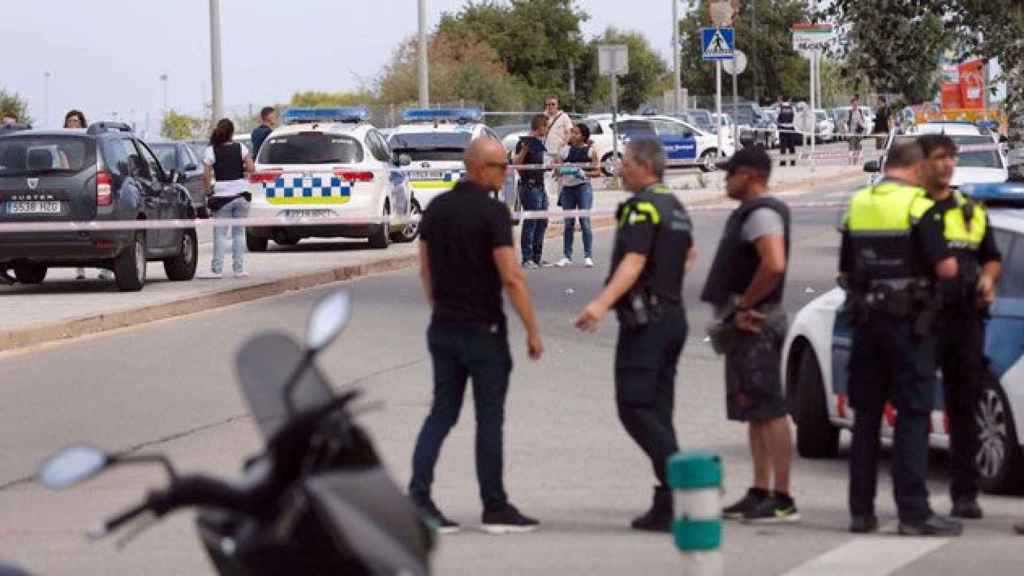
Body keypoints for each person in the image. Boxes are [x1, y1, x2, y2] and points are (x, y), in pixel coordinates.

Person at [409, 137, 544, 535]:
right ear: (479, 168)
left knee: (441, 414)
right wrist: (533, 330)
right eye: (502, 167)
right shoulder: (493, 212)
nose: (507, 173)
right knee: (489, 419)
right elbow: (511, 276)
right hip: (483, 331)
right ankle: (495, 505)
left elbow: (424, 270)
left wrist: (441, 308)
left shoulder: (437, 208)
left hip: (443, 328)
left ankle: (418, 498)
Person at [840, 140, 962, 536]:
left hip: (866, 323)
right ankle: (913, 512)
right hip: (909, 326)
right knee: (912, 415)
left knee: (866, 419)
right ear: (915, 169)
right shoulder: (918, 206)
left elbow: (845, 268)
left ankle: (861, 512)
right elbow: (945, 268)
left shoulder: (857, 204)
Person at [575, 139, 697, 532]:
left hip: (647, 323)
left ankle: (684, 484)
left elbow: (634, 260)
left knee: (634, 407)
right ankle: (667, 505)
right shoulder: (674, 205)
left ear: (644, 165)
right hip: (673, 316)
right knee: (658, 410)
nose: (620, 168)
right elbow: (689, 255)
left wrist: (601, 303)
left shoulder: (640, 206)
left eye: (625, 162)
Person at [701, 148, 798, 523]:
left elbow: (773, 264)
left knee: (770, 411)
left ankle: (783, 498)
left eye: (731, 174)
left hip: (758, 323)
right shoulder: (752, 212)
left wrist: (745, 305)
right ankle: (761, 491)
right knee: (756, 411)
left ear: (752, 175)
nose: (725, 180)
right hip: (748, 323)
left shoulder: (762, 213)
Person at [918, 134, 1002, 520]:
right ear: (922, 164)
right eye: (939, 157)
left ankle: (964, 496)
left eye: (951, 158)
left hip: (965, 319)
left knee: (963, 408)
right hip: (921, 318)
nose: (947, 164)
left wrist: (987, 280)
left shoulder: (970, 209)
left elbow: (991, 258)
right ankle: (913, 499)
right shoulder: (912, 208)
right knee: (914, 406)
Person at [61, 110, 112, 282]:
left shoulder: (89, 141)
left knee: (97, 230)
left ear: (82, 123)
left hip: (89, 185)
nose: (72, 124)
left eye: (75, 121)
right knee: (76, 230)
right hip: (71, 188)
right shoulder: (61, 142)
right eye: (69, 121)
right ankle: (79, 269)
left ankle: (106, 268)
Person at [203, 119, 254, 279]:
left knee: (220, 234)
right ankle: (239, 270)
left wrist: (208, 191)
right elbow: (251, 168)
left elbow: (206, 176)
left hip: (222, 197)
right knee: (239, 233)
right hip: (242, 195)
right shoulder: (241, 148)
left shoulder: (211, 150)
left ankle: (217, 270)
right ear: (232, 133)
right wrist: (240, 168)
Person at [555, 123, 599, 268]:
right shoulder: (565, 151)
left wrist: (583, 173)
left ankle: (588, 256)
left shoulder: (590, 151)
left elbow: (598, 172)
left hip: (583, 188)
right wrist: (561, 169)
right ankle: (567, 256)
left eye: (576, 133)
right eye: (572, 132)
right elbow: (557, 168)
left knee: (585, 222)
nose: (573, 135)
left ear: (584, 137)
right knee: (568, 223)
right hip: (567, 189)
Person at [515, 115, 550, 268]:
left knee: (542, 222)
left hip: (540, 186)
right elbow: (517, 164)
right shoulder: (524, 143)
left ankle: (537, 257)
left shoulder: (539, 143)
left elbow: (537, 164)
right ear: (540, 126)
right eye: (546, 126)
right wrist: (524, 150)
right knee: (531, 222)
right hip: (529, 187)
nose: (547, 129)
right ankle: (526, 258)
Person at [543, 96, 573, 199]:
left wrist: (564, 145)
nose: (550, 106)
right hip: (547, 151)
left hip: (560, 152)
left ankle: (562, 198)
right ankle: (546, 198)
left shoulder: (564, 116)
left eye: (553, 104)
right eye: (548, 104)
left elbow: (569, 132)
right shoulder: (543, 117)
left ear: (557, 105)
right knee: (547, 175)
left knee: (561, 174)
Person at [776, 96, 797, 167]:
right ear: (789, 99)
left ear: (782, 100)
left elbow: (776, 117)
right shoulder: (792, 107)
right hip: (791, 128)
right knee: (792, 147)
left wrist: (778, 124)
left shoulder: (779, 107)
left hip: (782, 129)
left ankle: (783, 162)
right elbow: (796, 117)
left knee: (783, 147)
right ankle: (793, 162)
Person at [847, 96, 867, 165]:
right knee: (851, 149)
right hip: (851, 134)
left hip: (858, 134)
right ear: (851, 104)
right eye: (854, 104)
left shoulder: (860, 111)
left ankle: (855, 164)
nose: (855, 105)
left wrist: (863, 127)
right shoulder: (849, 112)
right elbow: (845, 122)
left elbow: (863, 122)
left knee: (858, 149)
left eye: (856, 104)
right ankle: (850, 164)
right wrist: (846, 131)